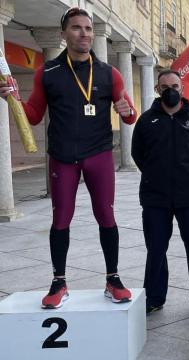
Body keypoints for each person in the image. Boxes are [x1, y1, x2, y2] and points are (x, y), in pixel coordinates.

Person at [0, 7, 136, 308]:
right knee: (61, 220)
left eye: (88, 28)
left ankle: (112, 278)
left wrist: (129, 113)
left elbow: (129, 114)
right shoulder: (46, 73)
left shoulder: (108, 73)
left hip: (99, 155)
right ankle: (59, 282)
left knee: (106, 216)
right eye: (76, 28)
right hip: (63, 158)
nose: (84, 33)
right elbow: (34, 117)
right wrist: (13, 98)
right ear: (63, 34)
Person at [131, 70, 189, 314]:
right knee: (156, 248)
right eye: (165, 86)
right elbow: (138, 155)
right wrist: (155, 177)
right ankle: (154, 297)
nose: (171, 90)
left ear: (182, 88)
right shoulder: (146, 121)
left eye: (175, 86)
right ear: (158, 90)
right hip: (155, 197)